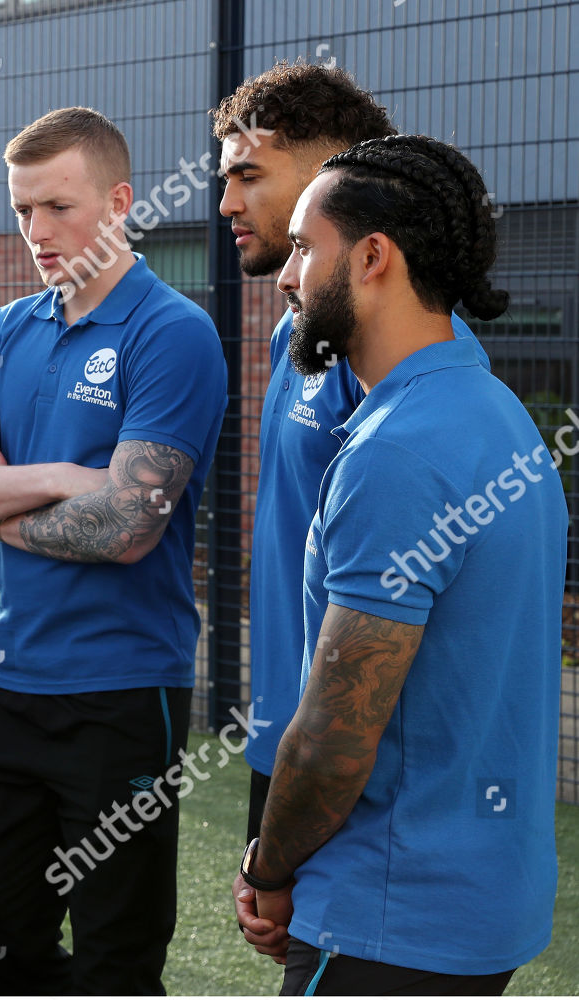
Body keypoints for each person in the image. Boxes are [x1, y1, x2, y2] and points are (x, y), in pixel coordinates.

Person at [0, 107, 228, 993]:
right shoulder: (4, 334)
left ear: (119, 202)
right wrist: (58, 474)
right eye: (21, 211)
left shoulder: (171, 332)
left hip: (121, 694)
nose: (37, 234)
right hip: (3, 689)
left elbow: (128, 526)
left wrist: (0, 509)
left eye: (58, 207)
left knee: (116, 962)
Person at [233, 134, 566, 994]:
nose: (286, 276)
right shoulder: (497, 413)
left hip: (390, 918)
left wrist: (268, 870)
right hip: (483, 909)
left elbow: (335, 739)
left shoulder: (398, 453)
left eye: (306, 248)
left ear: (374, 257)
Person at [212, 61, 488, 845]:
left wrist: (328, 746)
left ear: (325, 179)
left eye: (247, 176)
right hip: (288, 735)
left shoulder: (406, 363)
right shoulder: (301, 334)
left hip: (353, 763)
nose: (228, 201)